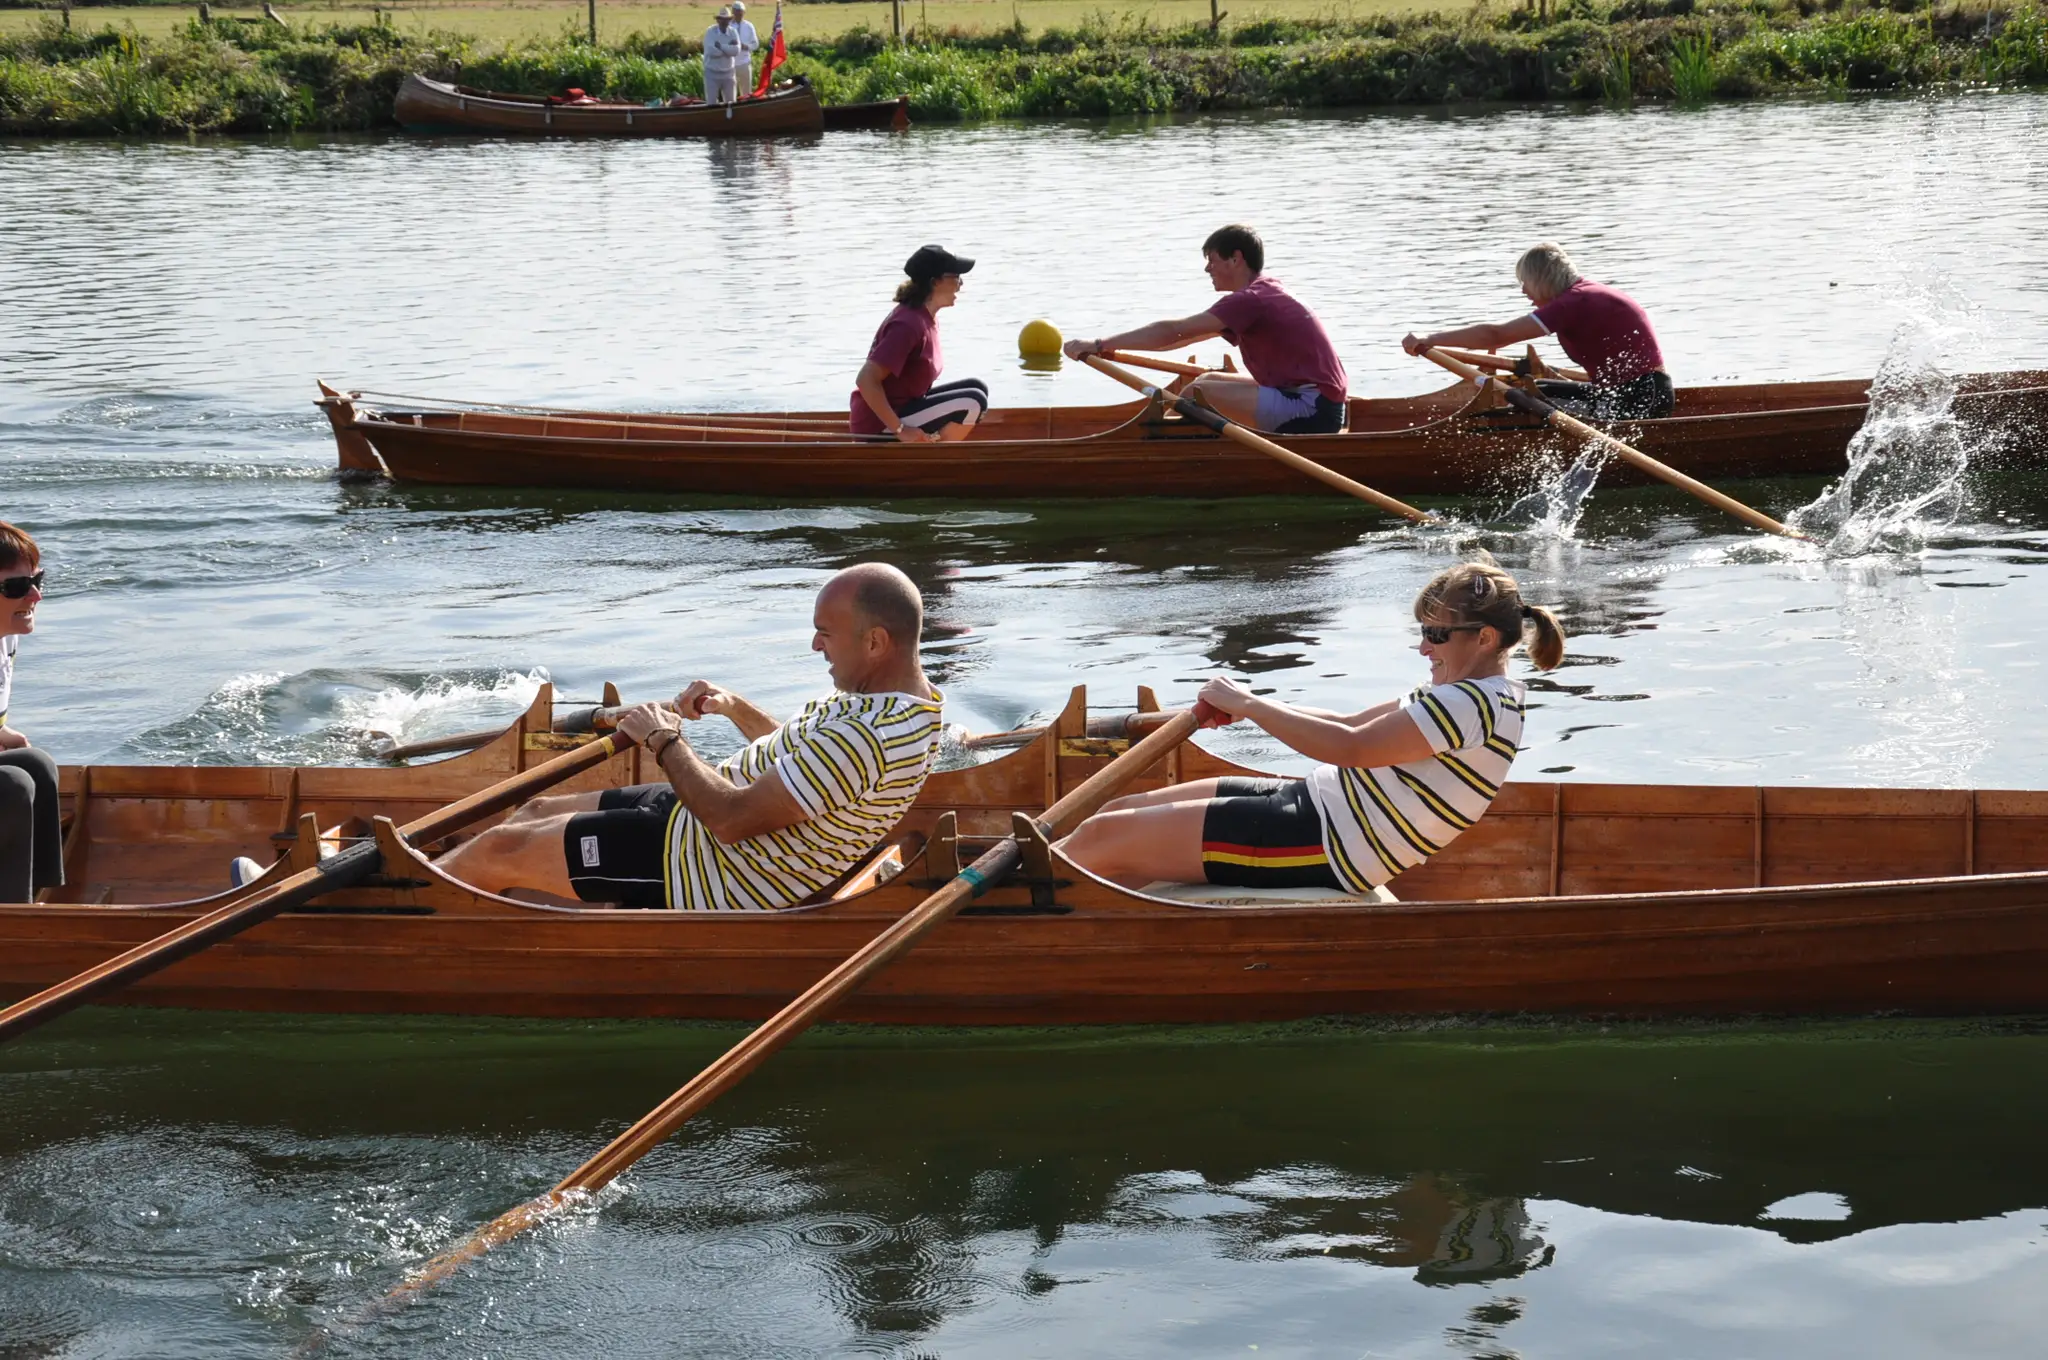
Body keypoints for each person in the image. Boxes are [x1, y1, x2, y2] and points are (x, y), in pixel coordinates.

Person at [435, 564, 943, 910]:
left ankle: (405, 903)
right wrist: (735, 706)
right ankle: (472, 904)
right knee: (534, 814)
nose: (815, 645)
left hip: (710, 872)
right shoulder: (899, 704)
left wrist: (663, 740)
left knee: (499, 847)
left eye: (825, 633)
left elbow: (731, 820)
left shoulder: (865, 737)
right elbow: (803, 764)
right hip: (696, 819)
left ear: (875, 642)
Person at [1059, 559, 1565, 897]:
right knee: (1117, 812)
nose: (1423, 648)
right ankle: (1058, 905)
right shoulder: (1471, 696)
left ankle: (1008, 920)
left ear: (1484, 637)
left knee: (1105, 835)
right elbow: (1348, 722)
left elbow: (1349, 748)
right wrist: (1252, 705)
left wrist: (1251, 705)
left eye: (1435, 634)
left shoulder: (1470, 704)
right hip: (1318, 807)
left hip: (1330, 844)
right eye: (1423, 632)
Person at [1063, 224, 1349, 434]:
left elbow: (1174, 331)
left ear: (1236, 259)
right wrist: (1112, 346)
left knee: (1198, 391)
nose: (1207, 269)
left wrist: (1099, 344)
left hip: (1312, 411)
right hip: (1317, 402)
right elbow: (1181, 339)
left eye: (1212, 260)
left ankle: (1170, 456)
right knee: (1209, 378)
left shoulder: (1251, 300)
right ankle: (1188, 442)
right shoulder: (1265, 291)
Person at [1402, 242, 1674, 421]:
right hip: (1633, 391)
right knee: (1527, 390)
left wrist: (1430, 339)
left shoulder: (1573, 302)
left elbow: (1497, 335)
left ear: (1542, 279)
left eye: (1525, 282)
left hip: (1641, 398)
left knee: (1525, 399)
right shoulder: (1582, 295)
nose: (1523, 291)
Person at [850, 244, 989, 442]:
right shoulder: (907, 325)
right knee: (973, 402)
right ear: (935, 282)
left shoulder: (925, 317)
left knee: (978, 387)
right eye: (956, 276)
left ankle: (931, 448)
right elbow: (865, 379)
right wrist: (900, 430)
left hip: (906, 407)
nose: (961, 283)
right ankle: (937, 461)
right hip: (878, 425)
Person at [0, 521, 61, 904]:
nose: (35, 595)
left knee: (37, 765)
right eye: (18, 588)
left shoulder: (4, 636)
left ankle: (38, 904)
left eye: (36, 580)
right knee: (11, 785)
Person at [702, 8, 744, 105]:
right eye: (722, 19)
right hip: (712, 73)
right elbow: (712, 52)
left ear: (730, 20)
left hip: (729, 73)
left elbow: (736, 50)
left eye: (727, 19)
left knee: (731, 103)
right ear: (717, 20)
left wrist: (721, 46)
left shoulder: (733, 32)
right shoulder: (710, 32)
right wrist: (728, 47)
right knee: (711, 103)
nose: (724, 21)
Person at [731, 0, 759, 94]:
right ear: (733, 12)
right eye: (736, 11)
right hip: (730, 64)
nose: (738, 13)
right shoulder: (728, 26)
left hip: (744, 63)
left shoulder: (749, 26)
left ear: (744, 12)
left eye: (740, 11)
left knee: (746, 92)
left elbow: (755, 44)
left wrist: (746, 46)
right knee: (730, 92)